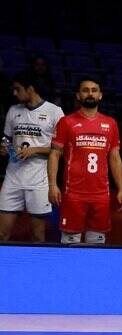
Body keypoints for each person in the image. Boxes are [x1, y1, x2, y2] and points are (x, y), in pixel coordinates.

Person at [48, 76, 122, 244]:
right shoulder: (66, 122)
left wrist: (121, 188)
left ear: (100, 95)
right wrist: (52, 185)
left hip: (101, 194)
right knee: (70, 243)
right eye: (85, 90)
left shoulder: (110, 123)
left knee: (97, 244)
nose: (90, 94)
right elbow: (54, 154)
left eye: (94, 90)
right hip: (73, 193)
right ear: (78, 95)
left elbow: (115, 158)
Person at [0, 71, 64, 242]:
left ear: (30, 89)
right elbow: (7, 138)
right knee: (2, 234)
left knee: (38, 236)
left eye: (18, 89)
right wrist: (4, 147)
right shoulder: (13, 110)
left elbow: (64, 150)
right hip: (13, 178)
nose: (15, 93)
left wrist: (35, 150)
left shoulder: (54, 112)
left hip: (39, 180)